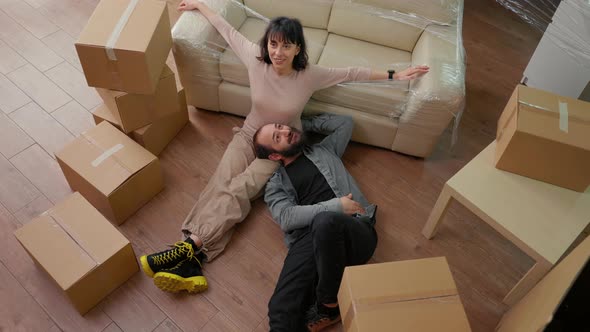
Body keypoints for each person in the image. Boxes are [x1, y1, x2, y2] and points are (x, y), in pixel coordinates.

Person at [139, 0, 425, 294]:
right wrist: (201, 5)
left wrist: (396, 75)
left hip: (280, 146)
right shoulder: (255, 57)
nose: (277, 52)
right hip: (250, 133)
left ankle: (189, 247)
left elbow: (352, 72)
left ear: (298, 49)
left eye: (286, 46)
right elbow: (226, 30)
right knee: (220, 182)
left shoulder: (309, 75)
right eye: (273, 44)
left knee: (242, 189)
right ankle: (193, 258)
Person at [253, 113, 378, 331]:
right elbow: (286, 217)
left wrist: (302, 126)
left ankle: (329, 306)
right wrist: (337, 205)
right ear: (274, 156)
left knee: (325, 221)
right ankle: (319, 295)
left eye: (282, 127)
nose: (285, 132)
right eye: (278, 137)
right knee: (280, 309)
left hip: (357, 230)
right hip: (311, 243)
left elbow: (344, 123)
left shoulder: (324, 150)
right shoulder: (276, 185)